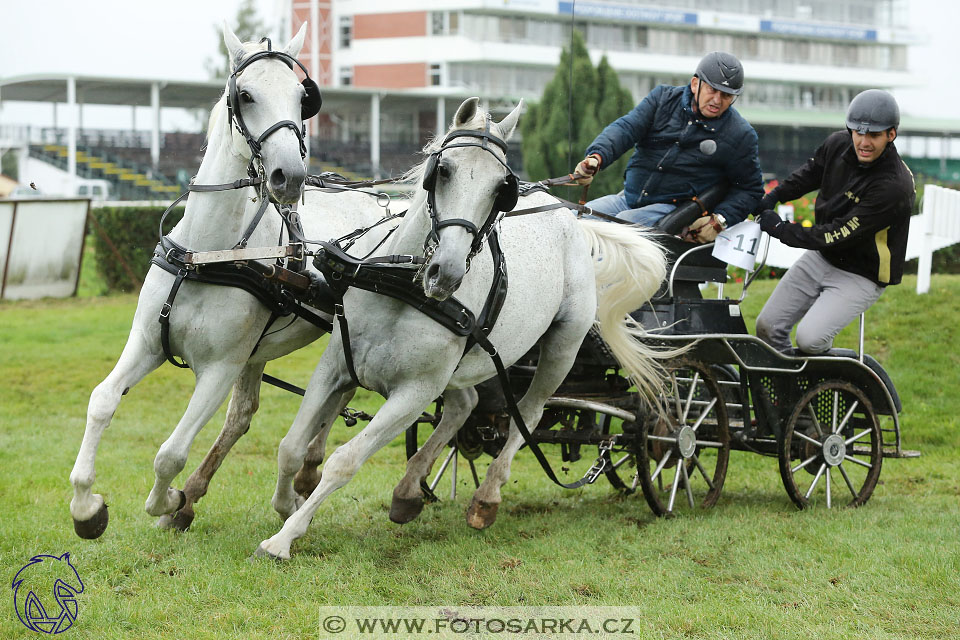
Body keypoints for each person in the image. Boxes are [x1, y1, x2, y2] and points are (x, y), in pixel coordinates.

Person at [754, 89, 914, 354]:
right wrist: (774, 197)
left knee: (810, 339)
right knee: (767, 327)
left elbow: (837, 233)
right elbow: (808, 176)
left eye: (873, 135)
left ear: (891, 134)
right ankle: (788, 392)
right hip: (823, 257)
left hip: (862, 273)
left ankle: (832, 384)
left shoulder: (894, 186)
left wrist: (781, 229)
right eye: (858, 132)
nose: (863, 141)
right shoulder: (838, 144)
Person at [573, 51, 763, 243]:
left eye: (726, 95)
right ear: (695, 84)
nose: (717, 100)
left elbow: (750, 189)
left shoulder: (741, 134)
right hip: (628, 198)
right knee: (574, 221)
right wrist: (597, 156)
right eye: (712, 90)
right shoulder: (662, 98)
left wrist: (720, 220)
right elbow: (626, 129)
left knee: (618, 231)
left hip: (673, 211)